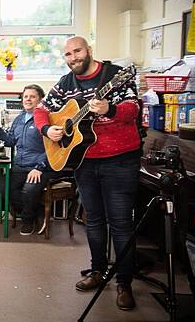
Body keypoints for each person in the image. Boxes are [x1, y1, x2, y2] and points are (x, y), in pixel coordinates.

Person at [33, 36, 141, 311]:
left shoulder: (116, 75)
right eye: (67, 54)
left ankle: (124, 283)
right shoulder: (66, 82)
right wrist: (48, 130)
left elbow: (133, 109)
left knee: (121, 223)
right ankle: (97, 271)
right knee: (93, 220)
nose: (73, 58)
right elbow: (41, 110)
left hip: (119, 160)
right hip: (85, 161)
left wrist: (110, 108)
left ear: (89, 50)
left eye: (77, 51)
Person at [0, 84, 54, 236]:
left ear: (40, 100)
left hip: (39, 167)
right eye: (25, 96)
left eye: (32, 96)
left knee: (29, 189)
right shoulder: (19, 119)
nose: (28, 99)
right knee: (2, 183)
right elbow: (11, 141)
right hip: (20, 165)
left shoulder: (47, 119)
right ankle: (34, 211)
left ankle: (27, 220)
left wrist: (39, 167)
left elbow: (54, 147)